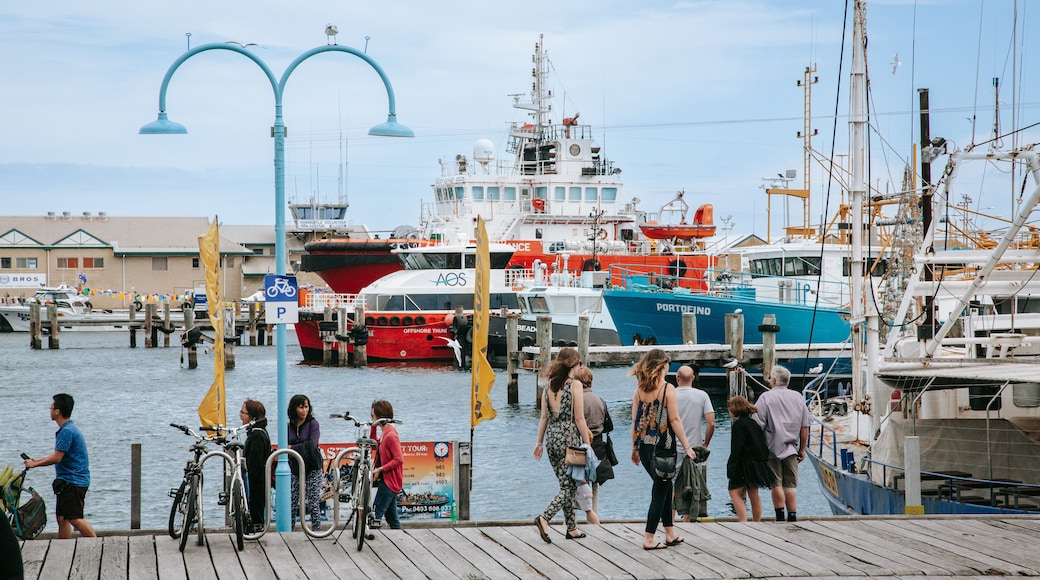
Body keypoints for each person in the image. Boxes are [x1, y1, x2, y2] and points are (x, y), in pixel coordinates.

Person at [630, 349, 698, 550]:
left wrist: (634, 447)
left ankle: (669, 532)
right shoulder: (668, 389)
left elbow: (635, 421)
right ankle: (649, 538)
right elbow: (675, 420)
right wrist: (687, 447)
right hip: (664, 447)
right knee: (660, 492)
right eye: (667, 364)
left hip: (645, 448)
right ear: (662, 366)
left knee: (666, 488)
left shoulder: (639, 389)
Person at [533, 347, 591, 543]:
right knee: (571, 487)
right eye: (578, 364)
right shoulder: (574, 385)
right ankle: (544, 517)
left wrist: (538, 443)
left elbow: (543, 418)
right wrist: (587, 442)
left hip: (552, 440)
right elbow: (580, 418)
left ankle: (572, 528)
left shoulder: (548, 386)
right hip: (570, 439)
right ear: (573, 365)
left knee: (564, 483)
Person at [23, 393, 96, 539]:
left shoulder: (67, 431)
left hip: (73, 481)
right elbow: (59, 454)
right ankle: (64, 547)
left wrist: (35, 465)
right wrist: (36, 460)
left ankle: (97, 544)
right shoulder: (68, 429)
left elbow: (57, 458)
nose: (50, 410)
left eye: (51, 407)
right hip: (67, 481)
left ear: (57, 411)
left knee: (75, 518)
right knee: (62, 518)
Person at [754, 366, 811, 522]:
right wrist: (802, 449)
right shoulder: (798, 397)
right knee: (790, 485)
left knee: (775, 483)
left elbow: (757, 423)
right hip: (792, 448)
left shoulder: (766, 397)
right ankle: (792, 516)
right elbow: (804, 426)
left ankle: (779, 516)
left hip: (771, 448)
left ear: (773, 380)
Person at [673, 365, 714, 521]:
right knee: (691, 484)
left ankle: (669, 520)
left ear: (677, 378)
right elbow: (711, 422)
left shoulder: (671, 395)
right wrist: (705, 443)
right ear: (693, 378)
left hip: (673, 448)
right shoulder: (702, 395)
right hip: (694, 448)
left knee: (672, 485)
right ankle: (687, 520)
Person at [727, 396, 774, 522]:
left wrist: (731, 465)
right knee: (754, 493)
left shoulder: (738, 425)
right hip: (758, 462)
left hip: (744, 463)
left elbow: (737, 447)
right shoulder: (753, 423)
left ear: (734, 409)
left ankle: (743, 521)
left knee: (734, 492)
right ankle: (756, 521)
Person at [574, 366, 612, 524]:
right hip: (597, 443)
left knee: (573, 481)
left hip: (578, 444)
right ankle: (594, 517)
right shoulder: (599, 399)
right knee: (594, 483)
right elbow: (608, 424)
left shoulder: (577, 400)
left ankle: (571, 520)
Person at [287, 393, 323, 531]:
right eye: (301, 407)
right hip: (295, 468)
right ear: (294, 409)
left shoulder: (313, 424)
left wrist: (292, 447)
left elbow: (311, 445)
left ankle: (317, 531)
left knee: (313, 503)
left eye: (306, 407)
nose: (304, 410)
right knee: (292, 502)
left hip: (312, 466)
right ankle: (289, 531)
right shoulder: (289, 426)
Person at [371, 399, 403, 530]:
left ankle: (371, 540)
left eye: (372, 415)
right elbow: (374, 444)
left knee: (375, 515)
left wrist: (381, 468)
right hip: (386, 480)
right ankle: (400, 539)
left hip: (390, 482)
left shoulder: (390, 435)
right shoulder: (384, 432)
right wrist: (373, 426)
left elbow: (399, 459)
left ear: (379, 416)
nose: (371, 417)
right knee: (392, 519)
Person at [241, 398, 271, 532]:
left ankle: (256, 530)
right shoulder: (258, 432)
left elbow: (255, 463)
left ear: (252, 417)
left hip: (256, 483)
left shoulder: (257, 435)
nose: (240, 415)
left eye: (243, 412)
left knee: (256, 513)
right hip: (258, 481)